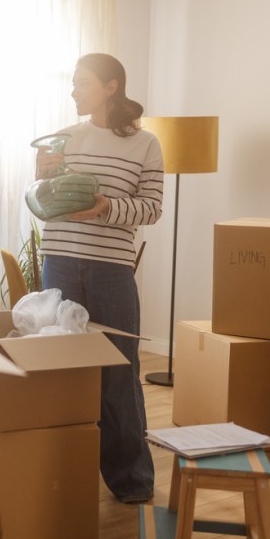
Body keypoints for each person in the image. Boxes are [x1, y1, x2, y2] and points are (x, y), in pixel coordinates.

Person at [35, 52, 164, 503]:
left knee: (118, 372)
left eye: (82, 82)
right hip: (60, 261)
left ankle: (132, 480)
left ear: (111, 86)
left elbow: (151, 208)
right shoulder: (64, 138)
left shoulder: (145, 144)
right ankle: (59, 478)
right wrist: (42, 180)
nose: (73, 91)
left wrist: (106, 207)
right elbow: (43, 204)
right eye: (73, 83)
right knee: (61, 370)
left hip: (111, 269)